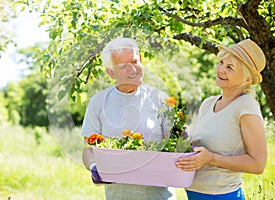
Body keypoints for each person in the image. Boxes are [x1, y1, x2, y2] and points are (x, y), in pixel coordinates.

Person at [81, 37, 176, 200]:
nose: (132, 70)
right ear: (111, 72)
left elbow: (176, 145)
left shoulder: (161, 99)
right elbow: (88, 149)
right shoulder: (98, 102)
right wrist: (94, 166)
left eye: (134, 61)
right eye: (124, 66)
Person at [176, 39, 268, 200]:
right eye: (221, 63)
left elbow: (258, 164)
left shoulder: (246, 106)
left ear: (247, 80)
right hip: (194, 194)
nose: (221, 70)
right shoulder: (208, 103)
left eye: (230, 67)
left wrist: (211, 159)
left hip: (220, 196)